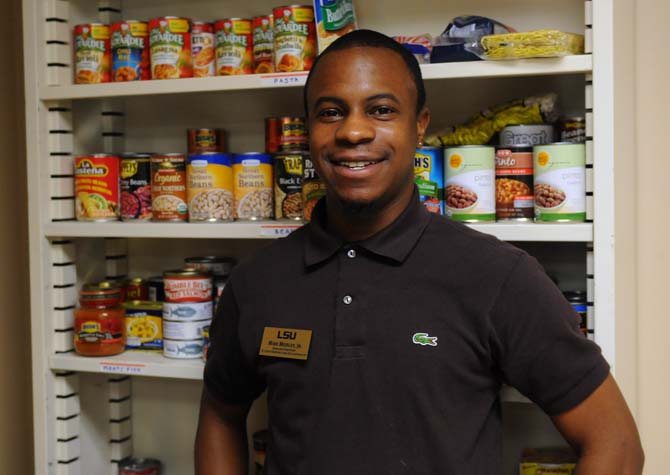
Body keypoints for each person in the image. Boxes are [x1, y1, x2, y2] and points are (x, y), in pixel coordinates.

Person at [195, 29, 644, 474]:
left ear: (420, 125)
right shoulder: (258, 282)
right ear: (309, 130)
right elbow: (220, 411)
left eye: (382, 110)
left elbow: (616, 445)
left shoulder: (498, 277)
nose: (353, 130)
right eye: (331, 112)